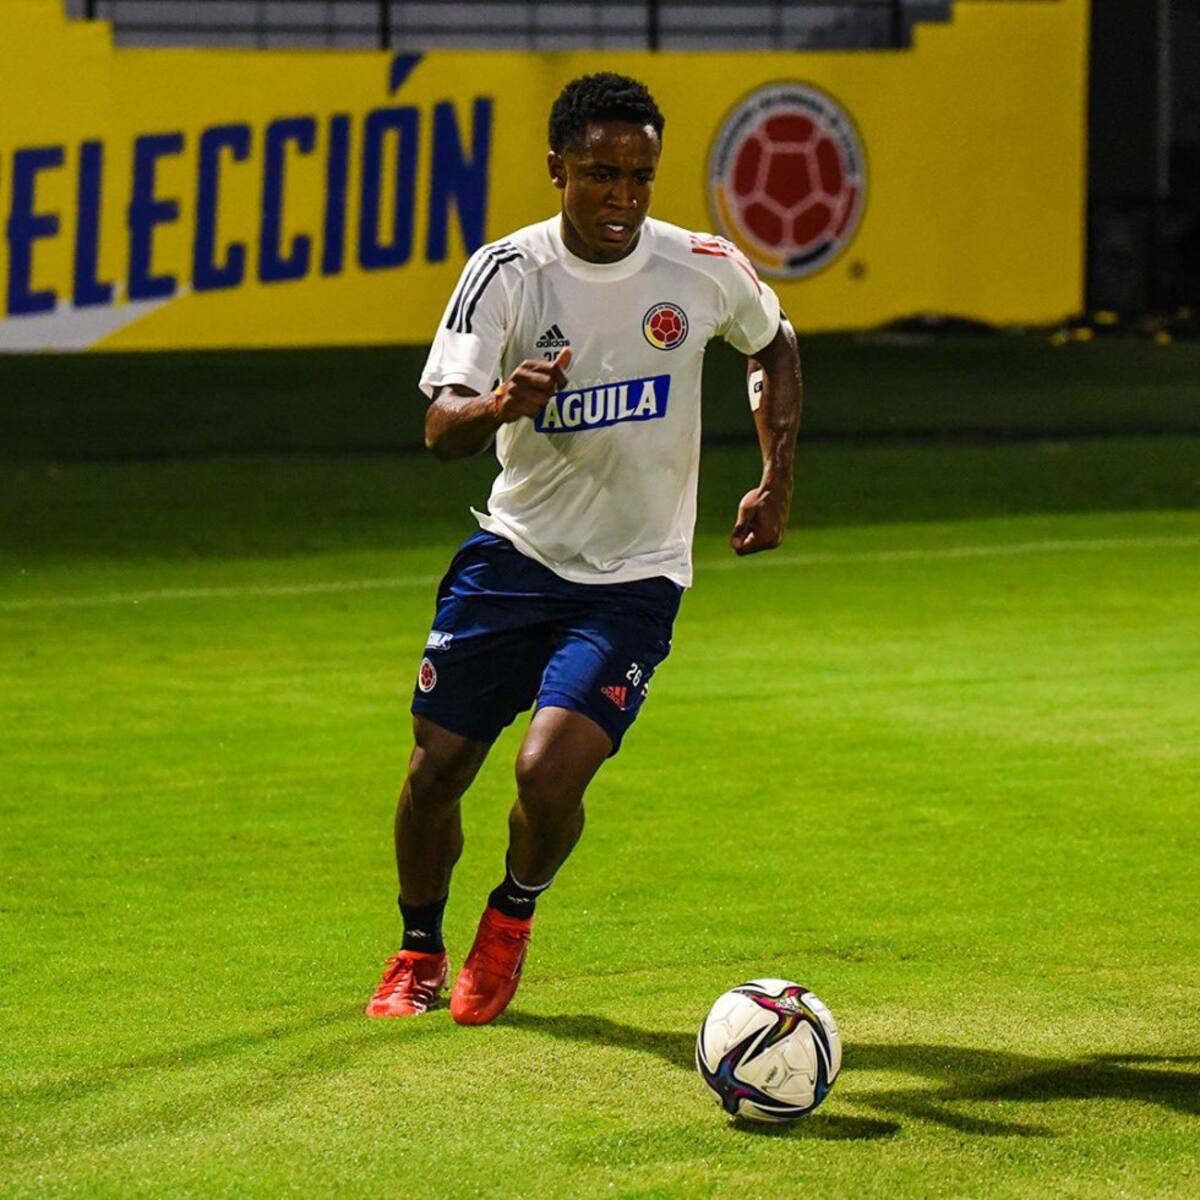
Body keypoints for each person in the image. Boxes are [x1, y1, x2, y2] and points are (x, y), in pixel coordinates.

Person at [366, 72, 801, 1025]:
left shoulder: (699, 266)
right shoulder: (507, 274)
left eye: (641, 175)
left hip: (635, 579)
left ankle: (509, 920)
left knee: (545, 771)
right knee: (436, 770)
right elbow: (443, 429)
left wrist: (774, 477)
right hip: (514, 558)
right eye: (603, 174)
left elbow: (772, 343)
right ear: (558, 169)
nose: (625, 197)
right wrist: (498, 404)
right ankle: (417, 944)